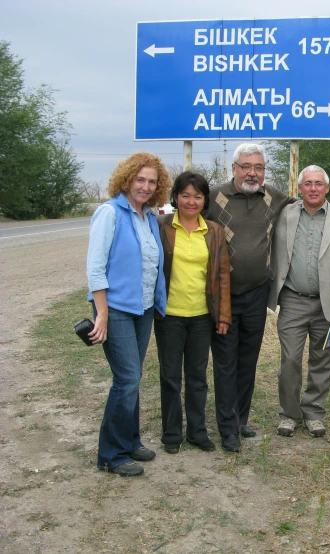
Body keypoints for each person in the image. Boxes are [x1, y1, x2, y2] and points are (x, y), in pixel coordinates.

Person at [202, 143, 295, 452]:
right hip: (223, 296)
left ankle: (240, 419)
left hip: (257, 292)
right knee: (226, 362)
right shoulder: (214, 197)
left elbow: (307, 203)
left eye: (259, 167)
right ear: (234, 168)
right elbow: (184, 217)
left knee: (248, 360)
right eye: (246, 166)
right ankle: (227, 429)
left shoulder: (274, 197)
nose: (253, 172)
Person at [86, 152, 171, 476]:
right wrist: (102, 313)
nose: (146, 186)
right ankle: (110, 454)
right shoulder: (109, 213)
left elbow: (150, 264)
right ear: (127, 179)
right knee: (127, 379)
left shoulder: (148, 216)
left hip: (143, 308)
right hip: (117, 309)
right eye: (140, 179)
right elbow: (95, 268)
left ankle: (131, 440)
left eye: (152, 181)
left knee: (132, 379)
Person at [267, 165, 330, 438]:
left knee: (323, 361)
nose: (313, 188)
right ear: (299, 188)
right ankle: (290, 414)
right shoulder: (284, 214)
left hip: (329, 304)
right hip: (293, 300)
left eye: (319, 183)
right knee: (290, 360)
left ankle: (314, 412)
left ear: (327, 188)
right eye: (307, 183)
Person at [155, 172, 231, 454]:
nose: (191, 201)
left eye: (197, 196)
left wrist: (223, 315)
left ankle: (197, 432)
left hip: (202, 317)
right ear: (175, 197)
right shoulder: (161, 225)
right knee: (170, 377)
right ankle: (171, 434)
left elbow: (223, 274)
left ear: (205, 200)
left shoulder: (214, 231)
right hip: (169, 316)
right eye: (185, 195)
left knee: (198, 377)